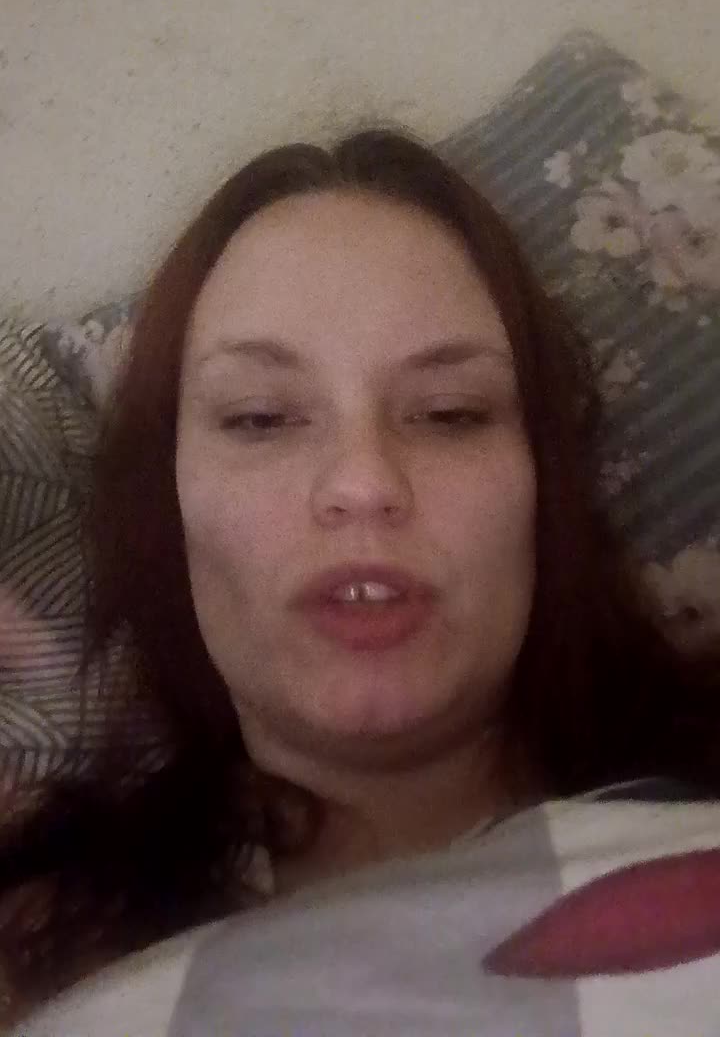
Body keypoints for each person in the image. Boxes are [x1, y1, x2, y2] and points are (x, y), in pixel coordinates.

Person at [2, 129, 720, 1033]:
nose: (364, 483)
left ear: (545, 485)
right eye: (260, 418)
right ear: (166, 504)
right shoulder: (40, 947)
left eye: (450, 413)